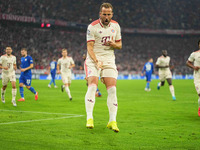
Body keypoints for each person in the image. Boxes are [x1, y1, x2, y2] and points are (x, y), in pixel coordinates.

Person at [84, 3, 122, 132]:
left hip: (109, 60)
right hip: (93, 59)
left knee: (112, 90)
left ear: (112, 14)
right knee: (93, 86)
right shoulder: (92, 27)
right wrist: (96, 61)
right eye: (104, 14)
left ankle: (112, 121)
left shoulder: (116, 26)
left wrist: (114, 44)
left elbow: (120, 44)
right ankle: (90, 118)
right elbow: (89, 47)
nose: (106, 17)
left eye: (109, 14)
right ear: (100, 14)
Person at [186, 40, 200, 116]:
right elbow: (187, 62)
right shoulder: (194, 54)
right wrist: (194, 67)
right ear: (199, 45)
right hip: (198, 77)